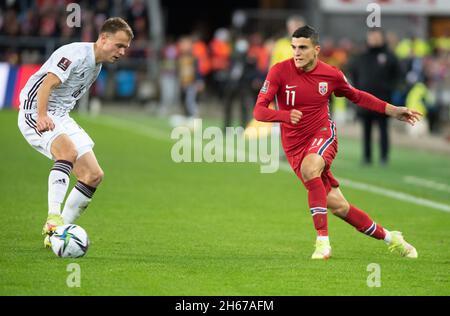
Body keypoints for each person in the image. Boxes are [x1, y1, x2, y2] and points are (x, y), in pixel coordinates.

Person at [253, 25, 421, 260]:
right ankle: (392, 238)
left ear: (316, 50)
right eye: (294, 47)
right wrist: (284, 116)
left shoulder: (331, 74)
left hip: (323, 134)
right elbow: (259, 112)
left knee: (310, 167)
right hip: (294, 147)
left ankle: (322, 243)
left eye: (303, 48)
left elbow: (357, 95)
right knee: (339, 207)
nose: (297, 53)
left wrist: (393, 110)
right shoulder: (279, 72)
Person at [17, 17, 133, 248]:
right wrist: (41, 116)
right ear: (103, 38)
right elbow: (46, 84)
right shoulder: (75, 54)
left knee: (93, 175)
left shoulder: (97, 65)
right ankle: (53, 218)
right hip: (36, 110)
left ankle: (57, 236)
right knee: (67, 152)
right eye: (118, 45)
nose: (121, 52)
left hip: (60, 115)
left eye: (125, 48)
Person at [349, 28, 401, 165]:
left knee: (383, 129)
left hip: (384, 99)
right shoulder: (361, 56)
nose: (374, 39)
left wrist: (390, 89)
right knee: (366, 130)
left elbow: (398, 75)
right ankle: (367, 157)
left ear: (382, 38)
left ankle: (384, 157)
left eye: (377, 37)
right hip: (365, 100)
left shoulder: (390, 56)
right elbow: (353, 73)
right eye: (372, 37)